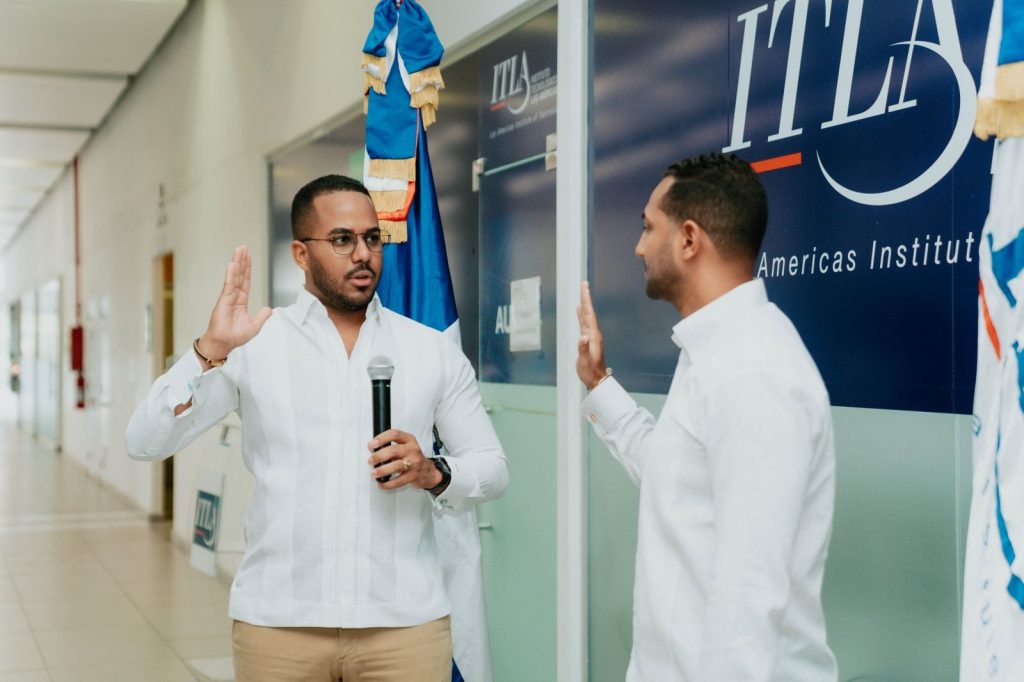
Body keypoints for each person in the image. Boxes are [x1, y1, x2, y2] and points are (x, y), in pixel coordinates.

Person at [125, 174, 508, 682]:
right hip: (278, 626)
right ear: (301, 254)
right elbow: (145, 441)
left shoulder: (429, 349)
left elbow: (492, 469)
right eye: (342, 239)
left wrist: (433, 472)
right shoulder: (253, 347)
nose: (363, 254)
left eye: (372, 238)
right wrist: (209, 351)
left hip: (404, 630)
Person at [577, 153, 837, 681]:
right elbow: (674, 481)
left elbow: (748, 600)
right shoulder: (717, 352)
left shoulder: (754, 371)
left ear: (689, 239)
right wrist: (599, 384)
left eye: (649, 227)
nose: (639, 247)